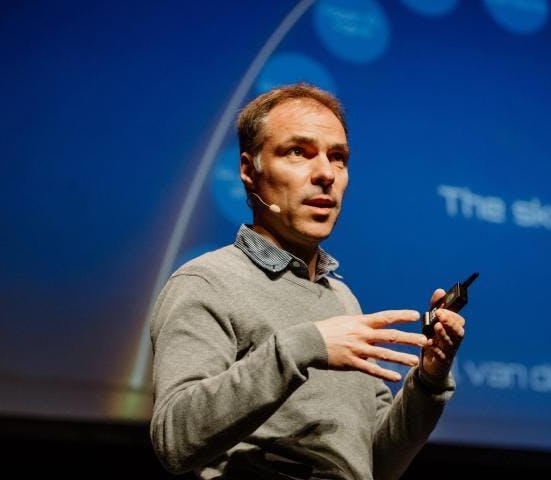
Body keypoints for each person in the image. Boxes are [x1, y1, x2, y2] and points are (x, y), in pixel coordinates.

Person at [150, 83, 466, 479]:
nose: (325, 174)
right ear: (249, 170)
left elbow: (375, 465)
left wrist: (428, 381)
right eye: (298, 152)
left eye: (338, 158)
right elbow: (175, 439)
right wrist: (303, 346)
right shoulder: (207, 282)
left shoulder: (343, 299)